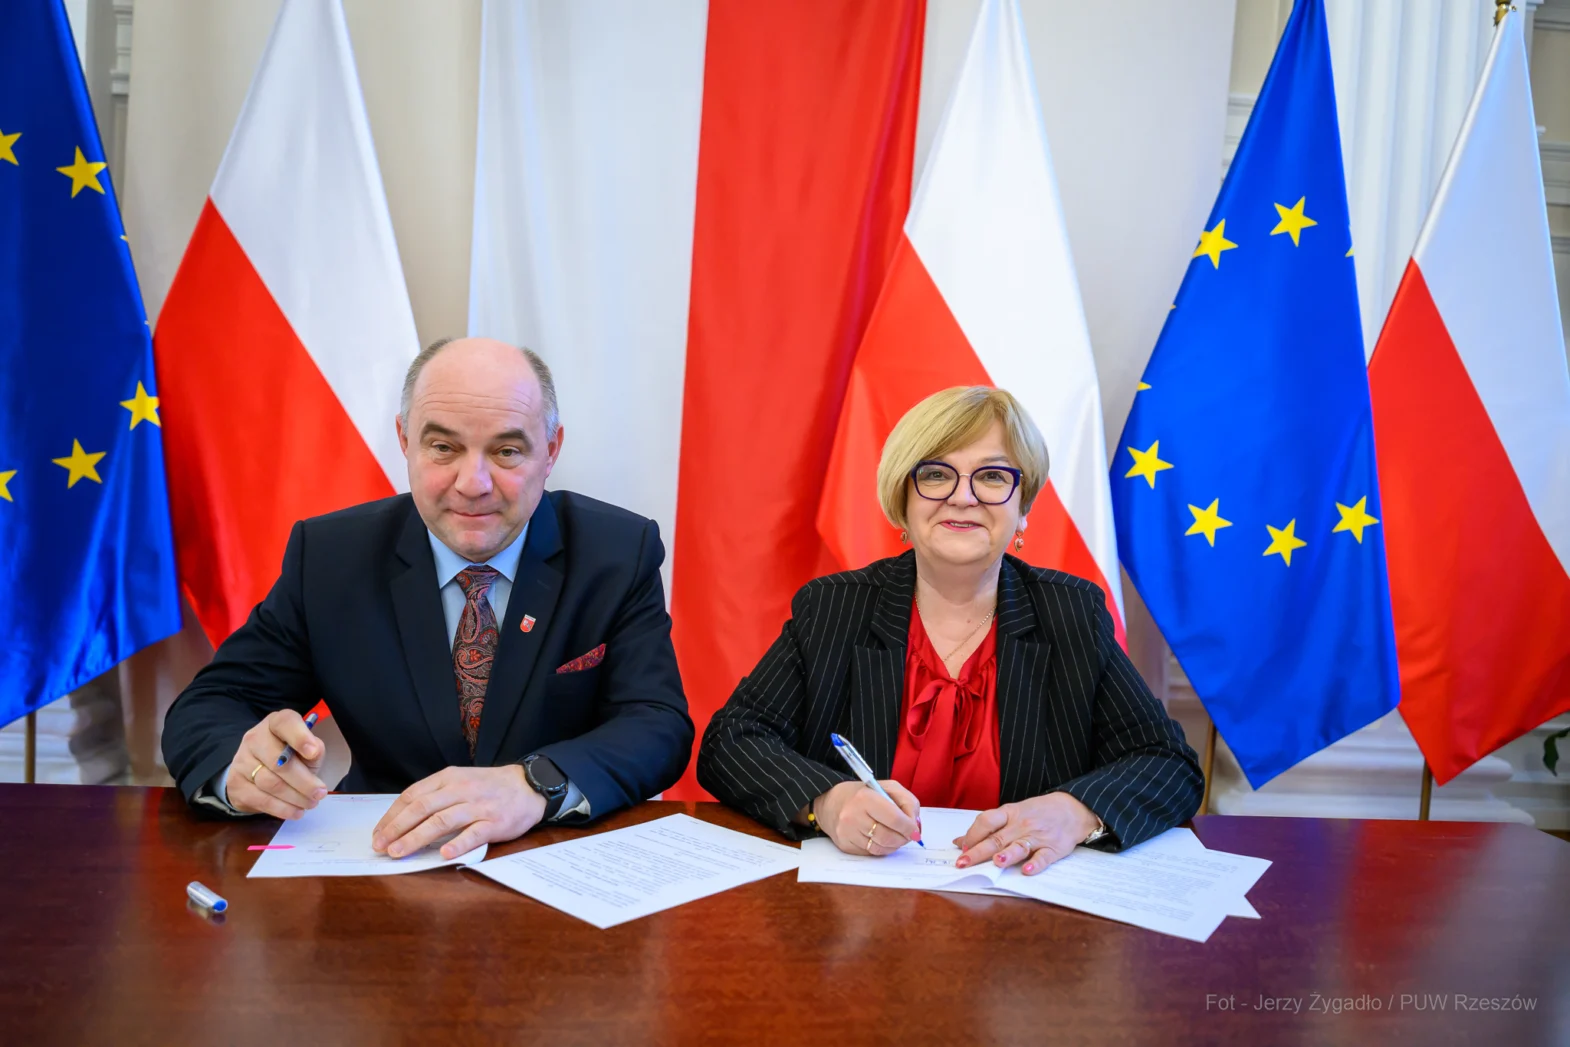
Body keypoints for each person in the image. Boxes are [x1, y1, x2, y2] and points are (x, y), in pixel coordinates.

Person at [163, 337, 692, 860]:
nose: (473, 483)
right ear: (405, 440)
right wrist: (241, 766)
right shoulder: (329, 557)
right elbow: (211, 705)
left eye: (506, 451)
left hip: (559, 859)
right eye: (443, 448)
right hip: (379, 857)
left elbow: (656, 723)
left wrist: (536, 783)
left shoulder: (616, 553)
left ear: (551, 451)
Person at [698, 386, 1202, 875]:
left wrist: (1075, 812)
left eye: (992, 476)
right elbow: (730, 743)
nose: (962, 497)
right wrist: (826, 802)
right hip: (860, 902)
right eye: (936, 475)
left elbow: (1168, 762)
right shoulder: (835, 607)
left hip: (1021, 902)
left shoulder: (1070, 613)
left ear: (1022, 507)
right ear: (903, 499)